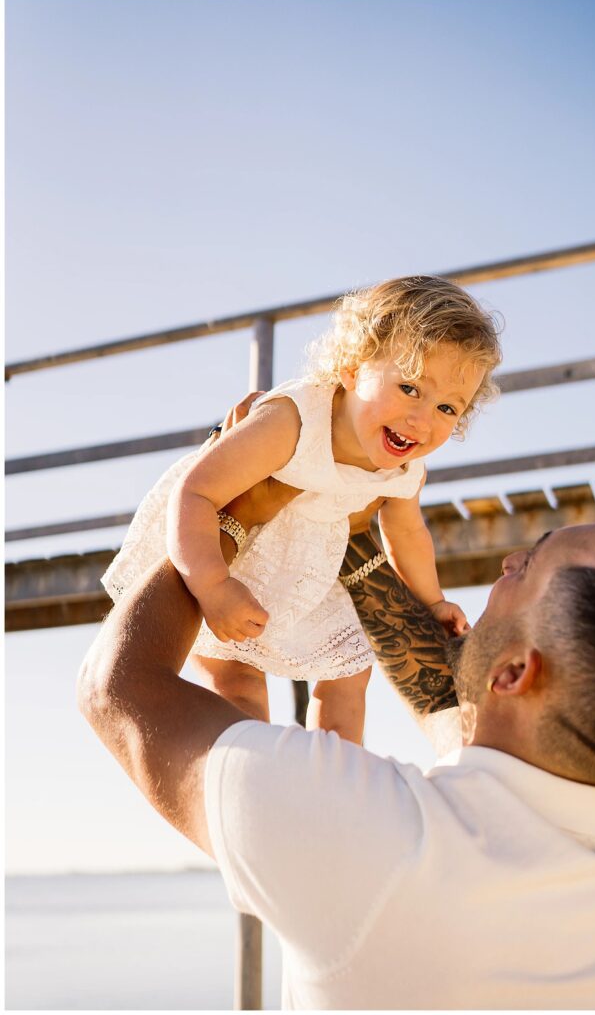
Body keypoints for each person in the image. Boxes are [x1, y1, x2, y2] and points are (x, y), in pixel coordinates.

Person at [78, 459, 595, 1009]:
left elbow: (117, 689)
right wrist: (352, 539)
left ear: (516, 672)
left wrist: (229, 519)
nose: (508, 562)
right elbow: (454, 705)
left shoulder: (377, 842)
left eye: (526, 568)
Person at [100, 275, 501, 742]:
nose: (422, 420)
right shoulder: (293, 421)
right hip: (230, 550)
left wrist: (431, 602)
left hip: (317, 565)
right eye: (410, 388)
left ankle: (336, 769)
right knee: (236, 677)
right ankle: (248, 764)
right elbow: (196, 493)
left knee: (349, 672)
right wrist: (213, 586)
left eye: (448, 409)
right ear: (352, 367)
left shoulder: (405, 467)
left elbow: (407, 533)